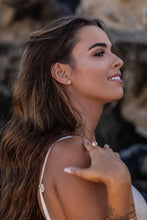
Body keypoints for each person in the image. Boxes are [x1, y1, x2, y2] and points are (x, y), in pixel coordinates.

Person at [0, 15, 146, 220]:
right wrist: (119, 182)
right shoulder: (72, 153)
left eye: (111, 51)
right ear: (61, 73)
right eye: (99, 53)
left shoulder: (71, 149)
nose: (118, 61)